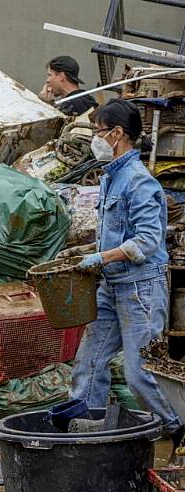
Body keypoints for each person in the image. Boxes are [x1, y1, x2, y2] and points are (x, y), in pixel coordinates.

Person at [67, 99, 184, 463]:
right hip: (110, 285)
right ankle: (86, 435)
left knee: (139, 373)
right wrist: (86, 252)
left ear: (117, 134)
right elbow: (116, 236)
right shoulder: (111, 178)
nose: (95, 140)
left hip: (140, 288)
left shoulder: (139, 182)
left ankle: (178, 426)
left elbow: (148, 241)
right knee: (89, 362)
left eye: (99, 132)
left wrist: (100, 257)